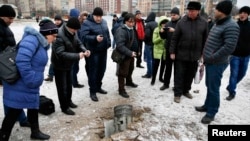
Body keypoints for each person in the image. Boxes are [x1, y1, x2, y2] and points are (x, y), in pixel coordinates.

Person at [0, 19, 58, 140]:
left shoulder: (41, 42)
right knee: (14, 111)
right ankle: (3, 136)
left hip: (30, 85)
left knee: (33, 106)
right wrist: (31, 79)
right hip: (21, 84)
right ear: (47, 33)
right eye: (54, 35)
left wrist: (33, 80)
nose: (55, 38)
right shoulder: (31, 40)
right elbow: (22, 61)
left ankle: (35, 132)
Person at [195, 0, 240, 124]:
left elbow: (229, 47)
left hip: (217, 62)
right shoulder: (218, 23)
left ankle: (212, 112)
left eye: (217, 9)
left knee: (214, 88)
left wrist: (213, 56)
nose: (214, 11)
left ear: (222, 11)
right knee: (210, 86)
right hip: (210, 61)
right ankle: (207, 105)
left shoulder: (231, 26)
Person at [169, 1, 208, 103]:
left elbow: (205, 39)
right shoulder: (181, 22)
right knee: (179, 74)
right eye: (189, 10)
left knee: (190, 74)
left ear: (198, 11)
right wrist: (172, 52)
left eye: (192, 11)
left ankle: (186, 90)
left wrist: (203, 53)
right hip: (181, 54)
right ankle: (177, 94)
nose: (190, 13)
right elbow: (174, 38)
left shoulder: (203, 23)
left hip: (195, 55)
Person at [51, 17, 90, 115]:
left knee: (69, 84)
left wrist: (84, 50)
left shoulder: (73, 32)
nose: (76, 31)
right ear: (69, 27)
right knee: (62, 87)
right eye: (75, 29)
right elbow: (60, 53)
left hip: (69, 63)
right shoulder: (59, 35)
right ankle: (64, 107)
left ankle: (69, 101)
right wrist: (77, 55)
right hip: (59, 65)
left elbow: (78, 43)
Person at [0, 4, 30, 129]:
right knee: (10, 94)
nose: (12, 21)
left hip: (7, 65)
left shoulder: (3, 26)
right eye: (10, 18)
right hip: (4, 67)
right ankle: (12, 118)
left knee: (12, 93)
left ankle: (20, 117)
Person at [80, 7, 111, 102]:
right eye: (97, 16)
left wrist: (108, 42)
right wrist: (95, 38)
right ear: (93, 15)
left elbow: (107, 33)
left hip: (103, 51)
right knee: (93, 72)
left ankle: (98, 87)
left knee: (102, 70)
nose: (99, 18)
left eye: (100, 16)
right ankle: (92, 91)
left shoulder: (104, 22)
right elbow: (83, 37)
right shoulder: (86, 23)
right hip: (93, 51)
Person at [225, 6, 250, 101]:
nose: (242, 14)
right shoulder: (235, 25)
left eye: (244, 13)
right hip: (235, 55)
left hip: (246, 55)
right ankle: (232, 92)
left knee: (242, 74)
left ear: (248, 14)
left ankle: (230, 86)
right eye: (241, 12)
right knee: (234, 74)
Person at [115, 13, 138, 98]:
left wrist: (137, 50)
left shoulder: (132, 29)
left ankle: (129, 82)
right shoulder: (121, 30)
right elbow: (120, 45)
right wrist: (129, 53)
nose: (132, 24)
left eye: (133, 22)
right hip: (123, 55)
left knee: (130, 69)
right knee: (122, 72)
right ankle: (121, 90)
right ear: (125, 21)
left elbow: (135, 40)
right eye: (130, 22)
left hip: (131, 54)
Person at [159, 7, 181, 91]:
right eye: (171, 15)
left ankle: (176, 86)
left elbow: (184, 35)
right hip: (169, 49)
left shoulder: (182, 23)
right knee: (167, 68)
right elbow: (164, 37)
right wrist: (162, 32)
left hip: (178, 50)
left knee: (177, 69)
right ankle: (166, 84)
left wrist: (174, 31)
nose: (172, 16)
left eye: (174, 15)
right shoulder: (168, 24)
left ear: (178, 15)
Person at [44, 14, 64, 82]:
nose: (57, 21)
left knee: (62, 61)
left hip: (62, 46)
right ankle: (50, 75)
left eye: (59, 20)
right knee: (53, 60)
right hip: (54, 45)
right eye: (56, 20)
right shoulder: (52, 27)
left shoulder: (64, 26)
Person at [69, 8, 85, 88]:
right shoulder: (71, 26)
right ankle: (74, 83)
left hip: (76, 50)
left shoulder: (78, 24)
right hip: (73, 51)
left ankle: (73, 81)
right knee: (74, 67)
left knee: (75, 67)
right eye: (77, 16)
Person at [151, 16, 168, 85]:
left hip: (164, 51)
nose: (164, 24)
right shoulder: (156, 29)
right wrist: (161, 36)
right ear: (160, 23)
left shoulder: (167, 30)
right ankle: (153, 79)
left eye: (166, 23)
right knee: (156, 65)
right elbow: (154, 41)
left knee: (163, 65)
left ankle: (161, 77)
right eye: (163, 23)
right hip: (157, 50)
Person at [141, 12, 157, 79]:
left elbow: (147, 35)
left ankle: (149, 73)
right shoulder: (157, 24)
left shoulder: (148, 24)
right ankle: (153, 72)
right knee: (153, 59)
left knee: (148, 59)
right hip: (155, 44)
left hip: (148, 44)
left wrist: (144, 40)